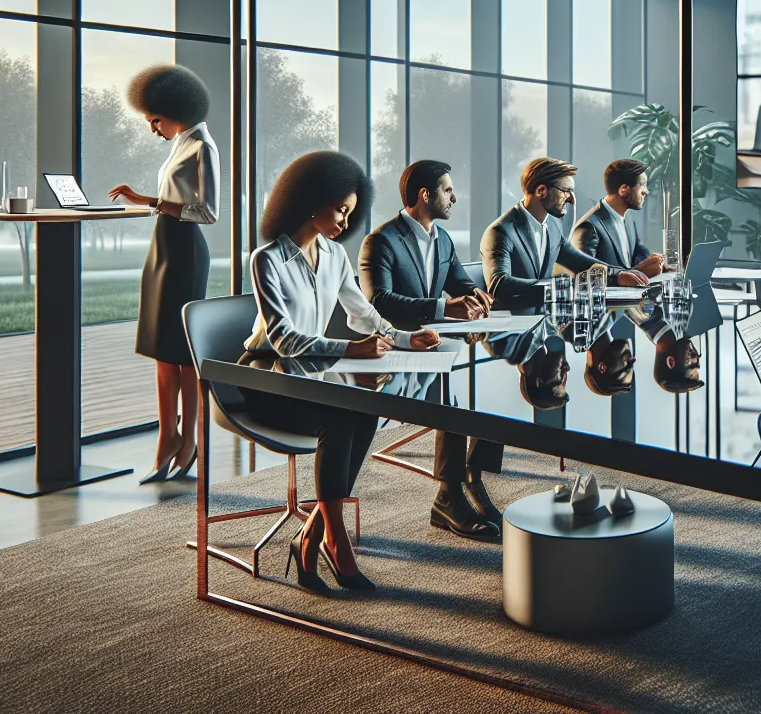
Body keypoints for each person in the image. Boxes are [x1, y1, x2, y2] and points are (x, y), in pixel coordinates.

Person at [242, 150, 444, 593]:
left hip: (312, 375)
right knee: (339, 415)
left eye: (350, 212)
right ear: (311, 199)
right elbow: (284, 341)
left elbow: (363, 314)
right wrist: (353, 348)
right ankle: (336, 542)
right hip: (266, 378)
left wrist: (409, 338)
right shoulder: (267, 260)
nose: (344, 221)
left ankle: (310, 536)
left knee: (363, 407)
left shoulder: (334, 255)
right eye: (340, 208)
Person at [358, 159, 503, 540]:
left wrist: (475, 297)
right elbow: (380, 301)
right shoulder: (381, 241)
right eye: (447, 190)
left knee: (495, 375)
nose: (455, 197)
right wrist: (443, 308)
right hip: (391, 347)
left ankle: (472, 476)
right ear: (425, 195)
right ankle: (449, 495)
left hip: (433, 346)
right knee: (452, 397)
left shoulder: (442, 239)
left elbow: (457, 284)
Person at [109, 64, 220, 484]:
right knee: (161, 349)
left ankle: (186, 440)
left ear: (173, 108)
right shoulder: (180, 145)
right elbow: (171, 201)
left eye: (154, 119)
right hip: (164, 247)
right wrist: (147, 204)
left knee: (182, 353)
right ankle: (168, 436)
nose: (152, 128)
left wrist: (148, 200)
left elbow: (207, 212)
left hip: (186, 251)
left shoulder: (202, 148)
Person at [481, 157, 647, 313]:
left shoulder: (551, 227)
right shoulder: (500, 232)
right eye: (566, 191)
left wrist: (618, 276)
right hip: (509, 332)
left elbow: (580, 262)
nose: (571, 199)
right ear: (541, 191)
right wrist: (562, 288)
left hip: (542, 328)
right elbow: (499, 285)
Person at [572, 159, 665, 277]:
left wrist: (658, 263)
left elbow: (639, 253)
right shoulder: (589, 226)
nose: (646, 191)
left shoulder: (628, 220)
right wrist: (635, 272)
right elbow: (584, 274)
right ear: (623, 190)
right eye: (642, 185)